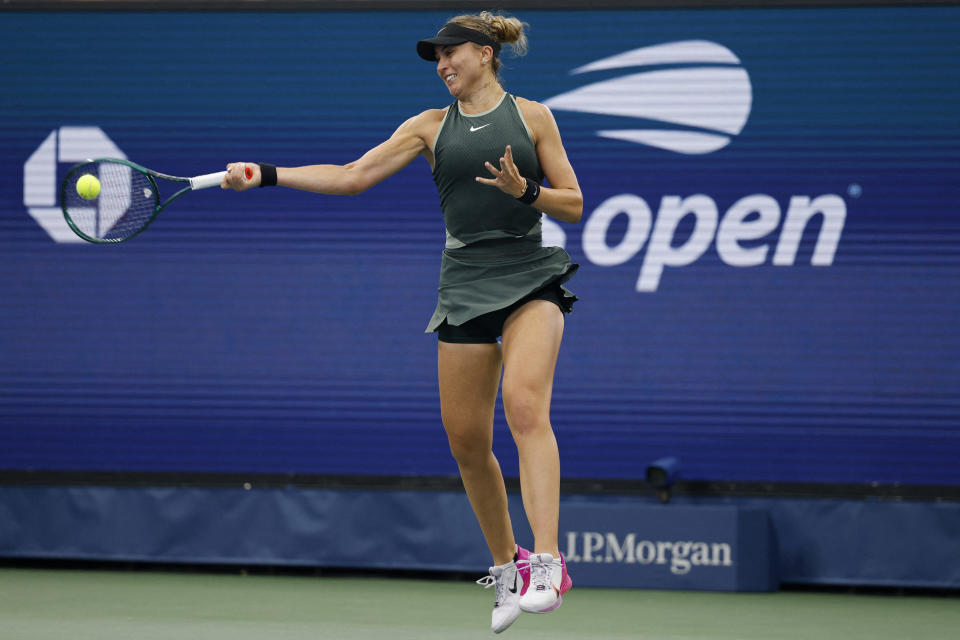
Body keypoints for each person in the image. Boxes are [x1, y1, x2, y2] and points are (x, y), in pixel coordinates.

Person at [222, 11, 582, 634]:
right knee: (466, 441)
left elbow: (573, 204)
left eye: (450, 54)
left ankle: (548, 562)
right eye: (435, 58)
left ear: (485, 54)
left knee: (525, 407)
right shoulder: (426, 128)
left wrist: (525, 193)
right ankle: (508, 565)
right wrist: (269, 174)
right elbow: (353, 177)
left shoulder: (534, 117)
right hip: (466, 282)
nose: (441, 65)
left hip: (530, 274)